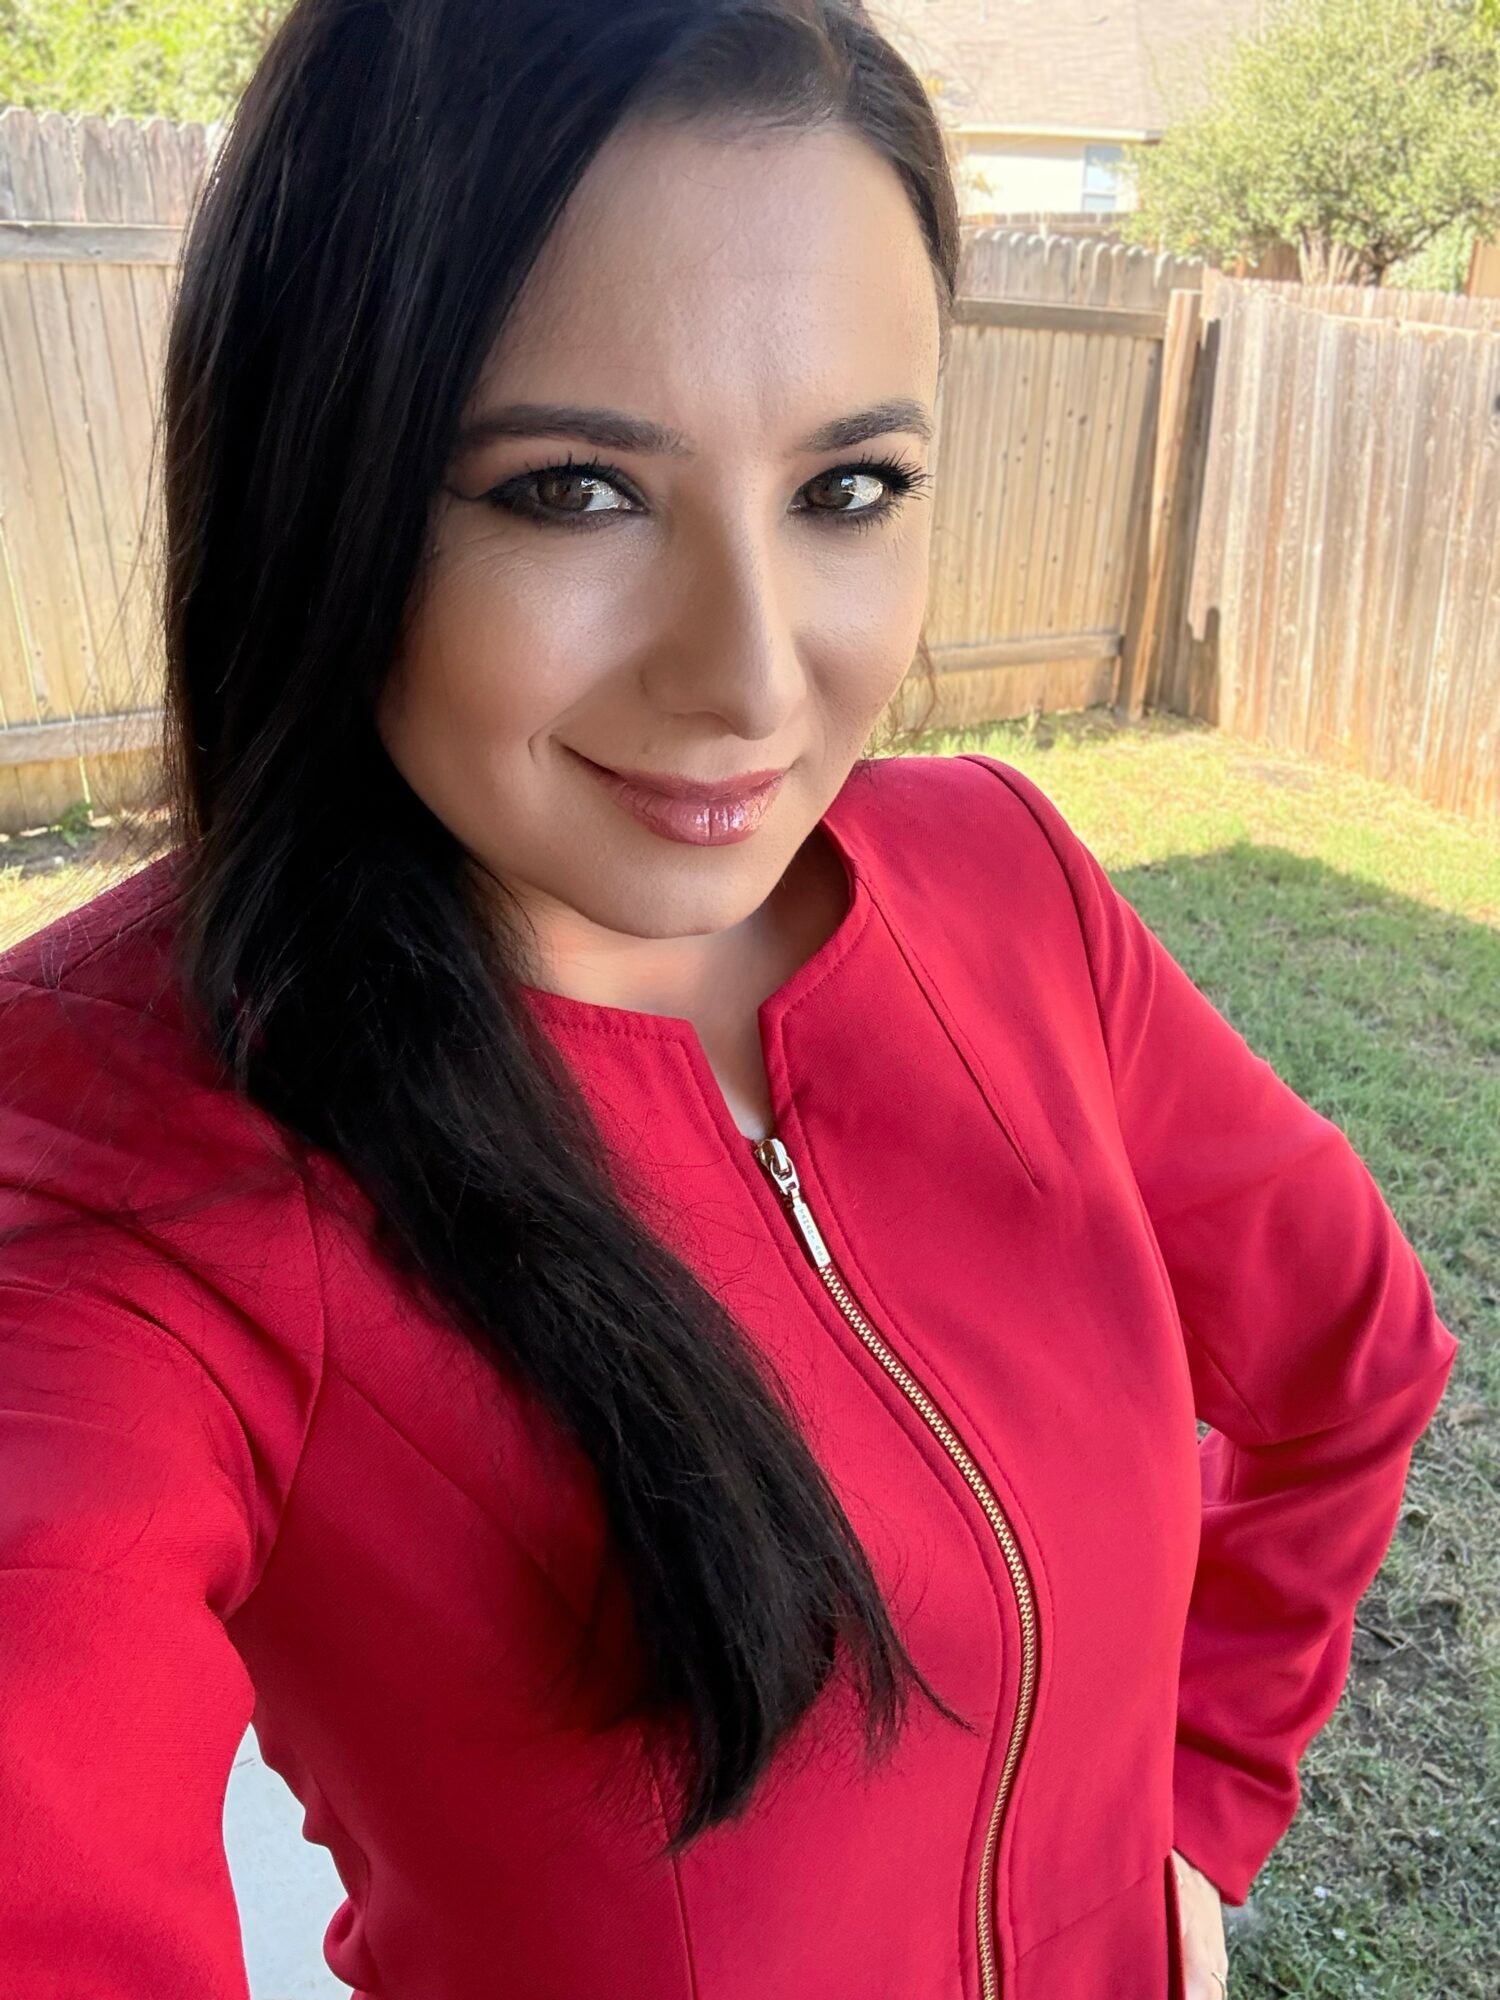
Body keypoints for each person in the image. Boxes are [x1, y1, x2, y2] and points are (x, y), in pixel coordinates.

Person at [0, 2, 1458, 1996]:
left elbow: (1352, 1357)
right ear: (319, 473)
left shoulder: (999, 883)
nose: (756, 679)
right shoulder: (114, 1150)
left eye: (848, 488)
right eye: (576, 491)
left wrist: (1193, 1810)